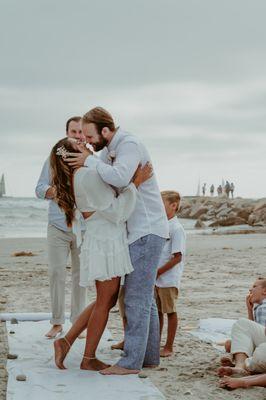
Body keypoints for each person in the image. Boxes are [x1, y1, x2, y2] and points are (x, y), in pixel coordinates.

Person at [65, 107, 169, 375]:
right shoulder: (111, 151)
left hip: (145, 229)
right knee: (141, 297)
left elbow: (121, 178)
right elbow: (117, 186)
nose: (88, 141)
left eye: (90, 135)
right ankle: (148, 357)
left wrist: (89, 161)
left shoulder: (129, 145)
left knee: (135, 298)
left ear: (106, 131)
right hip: (138, 230)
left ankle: (130, 363)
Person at [52, 137, 152, 371]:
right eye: (77, 144)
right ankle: (88, 358)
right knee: (105, 300)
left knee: (104, 299)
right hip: (105, 241)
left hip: (103, 238)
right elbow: (115, 210)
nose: (84, 143)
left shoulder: (84, 173)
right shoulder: (86, 175)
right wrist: (135, 183)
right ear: (70, 155)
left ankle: (65, 342)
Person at [35, 116, 87, 338]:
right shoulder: (54, 158)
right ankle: (56, 322)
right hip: (58, 226)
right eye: (73, 132)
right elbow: (39, 189)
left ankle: (78, 322)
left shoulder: (91, 159)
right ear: (67, 133)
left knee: (81, 276)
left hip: (84, 228)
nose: (77, 136)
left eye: (80, 132)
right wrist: (59, 192)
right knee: (56, 273)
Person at [155, 191, 186, 357]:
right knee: (157, 312)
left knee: (170, 312)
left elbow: (177, 257)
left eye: (162, 203)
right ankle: (156, 343)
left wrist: (158, 272)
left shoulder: (176, 228)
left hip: (168, 279)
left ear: (173, 206)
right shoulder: (161, 224)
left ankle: (169, 346)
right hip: (157, 278)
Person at [218, 278, 266, 378]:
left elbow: (260, 333)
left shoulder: (263, 307)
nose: (250, 289)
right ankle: (240, 364)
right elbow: (254, 331)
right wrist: (250, 310)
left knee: (240, 326)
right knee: (232, 342)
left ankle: (239, 365)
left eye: (254, 286)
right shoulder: (260, 307)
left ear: (264, 291)